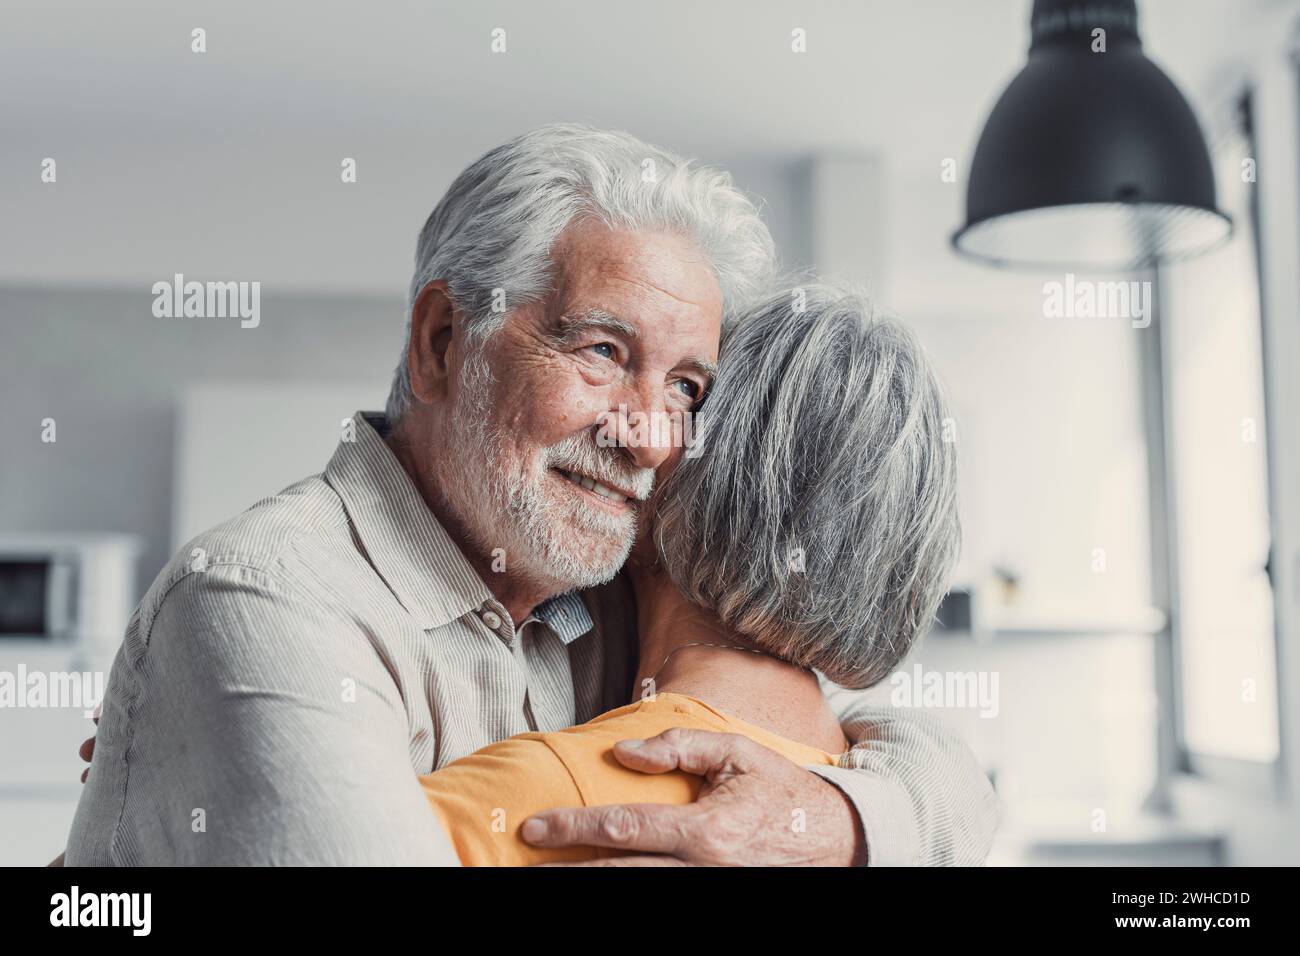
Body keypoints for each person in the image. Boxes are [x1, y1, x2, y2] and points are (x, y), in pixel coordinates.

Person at [64, 125, 995, 866]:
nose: (646, 433)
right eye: (602, 352)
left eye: (686, 389)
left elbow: (924, 761)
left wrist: (836, 821)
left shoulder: (607, 587)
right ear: (440, 342)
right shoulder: (265, 599)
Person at [418, 285, 986, 865]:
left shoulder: (530, 805)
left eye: (684, 392)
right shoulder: (881, 804)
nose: (640, 435)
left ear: (706, 479)